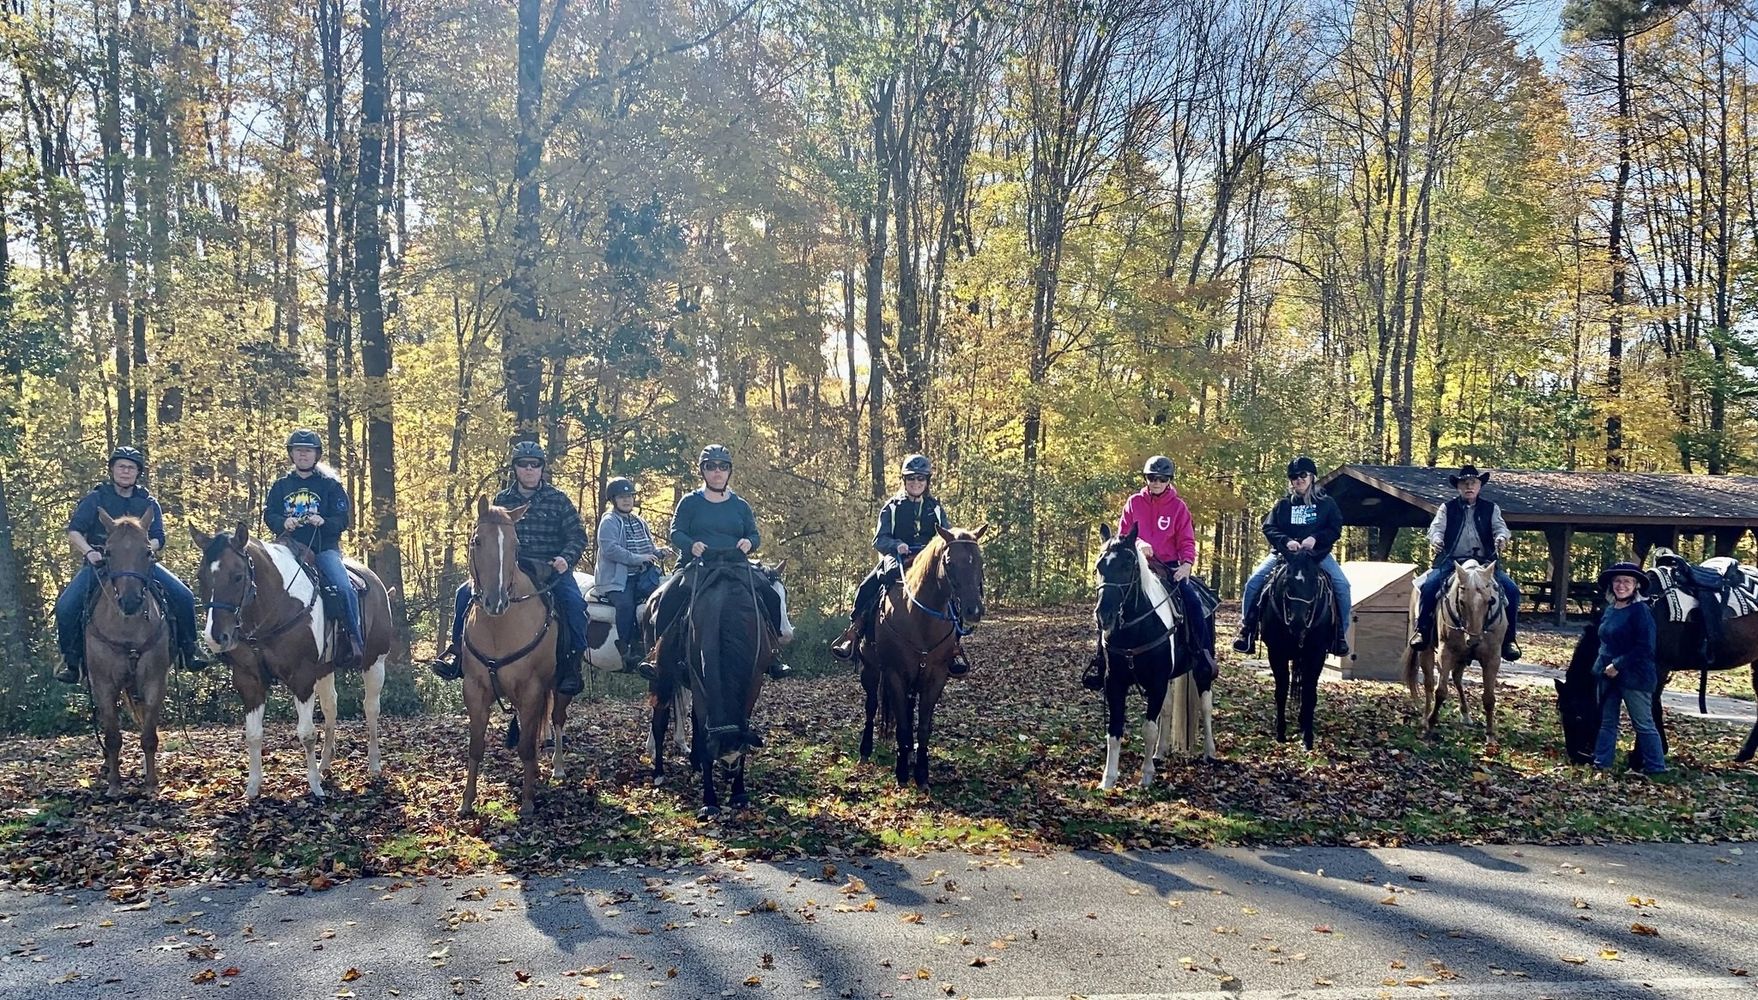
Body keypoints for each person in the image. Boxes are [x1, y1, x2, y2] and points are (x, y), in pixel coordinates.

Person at [429, 442, 589, 696]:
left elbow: (578, 535)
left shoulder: (558, 500)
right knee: (463, 593)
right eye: (523, 464)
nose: (529, 469)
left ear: (542, 468)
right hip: (512, 566)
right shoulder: (502, 500)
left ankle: (571, 665)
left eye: (535, 464)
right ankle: (457, 653)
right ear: (515, 468)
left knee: (575, 605)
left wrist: (565, 558)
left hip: (550, 568)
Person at [53, 446, 210, 683]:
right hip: (101, 565)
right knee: (66, 605)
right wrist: (89, 552)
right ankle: (71, 661)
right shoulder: (96, 499)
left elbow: (158, 537)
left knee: (184, 595)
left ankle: (190, 649)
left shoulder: (148, 503)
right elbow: (75, 531)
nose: (125, 471)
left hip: (140, 566)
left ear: (138, 473)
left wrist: (145, 550)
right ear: (112, 470)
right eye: (121, 467)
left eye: (131, 467)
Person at [643, 444, 789, 679]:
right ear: (703, 471)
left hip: (735, 565)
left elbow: (754, 535)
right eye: (711, 466)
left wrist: (749, 543)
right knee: (668, 598)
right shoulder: (690, 502)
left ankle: (772, 653)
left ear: (729, 471)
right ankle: (658, 655)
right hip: (697, 564)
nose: (717, 471)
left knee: (770, 594)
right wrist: (691, 545)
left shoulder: (740, 505)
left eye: (723, 466)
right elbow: (676, 532)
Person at [830, 454, 971, 676]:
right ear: (904, 480)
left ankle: (954, 646)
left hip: (928, 562)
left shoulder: (935, 508)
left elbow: (947, 537)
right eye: (911, 478)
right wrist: (896, 544)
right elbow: (879, 539)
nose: (916, 482)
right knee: (868, 586)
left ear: (927, 481)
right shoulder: (892, 507)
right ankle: (854, 632)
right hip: (898, 558)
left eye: (921, 478)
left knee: (951, 589)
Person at [1085, 456, 1216, 689]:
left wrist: (1186, 564)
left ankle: (1201, 654)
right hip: (1136, 566)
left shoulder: (1178, 507)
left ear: (1169, 480)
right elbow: (1123, 536)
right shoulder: (1134, 502)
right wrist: (1139, 544)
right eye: (1152, 478)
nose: (1156, 482)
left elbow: (1186, 540)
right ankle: (1100, 660)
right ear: (1146, 478)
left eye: (1162, 479)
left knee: (1193, 602)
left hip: (1168, 566)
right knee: (1109, 600)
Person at [264, 428, 363, 671]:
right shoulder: (281, 486)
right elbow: (270, 514)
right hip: (288, 548)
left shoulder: (330, 486)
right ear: (291, 454)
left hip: (322, 549)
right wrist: (282, 522)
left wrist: (324, 522)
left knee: (343, 587)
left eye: (308, 451)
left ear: (316, 455)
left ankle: (354, 640)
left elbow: (343, 519)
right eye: (298, 450)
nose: (303, 455)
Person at [1232, 457, 1352, 656]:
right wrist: (1286, 541)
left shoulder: (1326, 503)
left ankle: (1340, 635)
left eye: (1303, 475)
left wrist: (1315, 538)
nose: (1299, 479)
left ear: (1312, 477)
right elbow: (1269, 527)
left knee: (1342, 585)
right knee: (1253, 583)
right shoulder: (1283, 504)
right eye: (1294, 477)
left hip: (1316, 556)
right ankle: (1247, 631)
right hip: (1285, 556)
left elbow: (1335, 528)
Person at [1410, 464, 1521, 661]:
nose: (1469, 486)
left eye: (1473, 483)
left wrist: (1501, 537)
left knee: (1512, 590)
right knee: (1429, 586)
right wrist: (1436, 539)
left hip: (1485, 564)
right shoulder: (1447, 508)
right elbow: (1436, 529)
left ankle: (1509, 640)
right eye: (1464, 483)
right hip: (1452, 561)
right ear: (1458, 487)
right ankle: (1423, 631)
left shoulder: (1491, 508)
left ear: (1479, 486)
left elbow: (1500, 528)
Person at [1591, 562, 1667, 775]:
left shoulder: (1641, 611)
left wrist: (1618, 664)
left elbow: (1646, 647)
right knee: (1607, 722)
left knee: (1643, 723)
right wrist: (1601, 668)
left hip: (1636, 676)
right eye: (1617, 581)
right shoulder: (1610, 610)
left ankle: (1656, 768)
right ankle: (1601, 763)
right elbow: (1605, 642)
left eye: (1627, 581)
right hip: (1607, 675)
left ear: (1636, 586)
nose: (1621, 585)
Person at [594, 476, 671, 671]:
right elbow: (611, 550)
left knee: (665, 599)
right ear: (613, 499)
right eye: (622, 497)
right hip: (618, 579)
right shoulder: (609, 521)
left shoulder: (639, 521)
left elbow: (647, 548)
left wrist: (658, 552)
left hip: (641, 576)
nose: (627, 500)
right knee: (625, 605)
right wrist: (639, 558)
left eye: (629, 496)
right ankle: (626, 648)